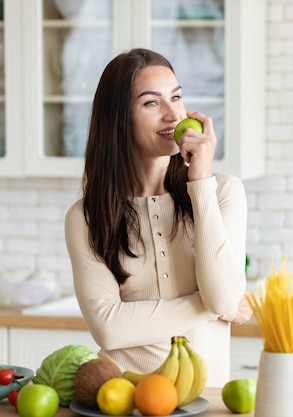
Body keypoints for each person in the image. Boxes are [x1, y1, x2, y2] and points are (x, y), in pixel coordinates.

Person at [64, 48, 252, 387]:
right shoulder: (87, 216)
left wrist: (200, 181)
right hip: (120, 397)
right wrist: (209, 305)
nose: (173, 114)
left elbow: (223, 297)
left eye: (176, 97)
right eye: (152, 103)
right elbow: (108, 328)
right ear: (119, 118)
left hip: (204, 402)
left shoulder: (222, 191)